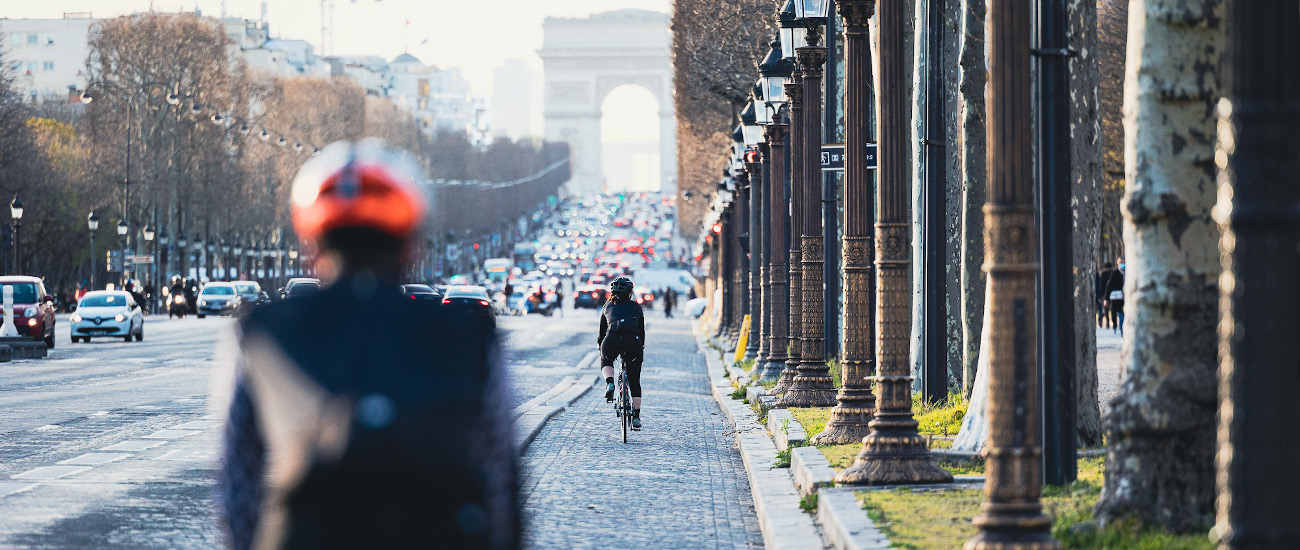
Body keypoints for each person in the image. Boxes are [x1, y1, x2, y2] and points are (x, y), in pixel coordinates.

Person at [217, 139, 518, 550]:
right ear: (412, 244)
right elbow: (500, 475)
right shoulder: (468, 333)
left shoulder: (264, 334)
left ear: (311, 246)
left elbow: (239, 486)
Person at [597, 276, 646, 430]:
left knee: (606, 360)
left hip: (611, 340)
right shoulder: (636, 307)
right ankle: (636, 417)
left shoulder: (607, 306)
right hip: (633, 342)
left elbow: (601, 333)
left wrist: (601, 347)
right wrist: (641, 346)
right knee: (634, 380)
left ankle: (610, 382)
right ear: (630, 292)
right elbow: (641, 330)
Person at [1101, 258, 1125, 335]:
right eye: (1120, 262)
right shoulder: (1115, 272)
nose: (1122, 264)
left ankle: (1122, 330)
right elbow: (1109, 285)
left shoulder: (1129, 271)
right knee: (1114, 312)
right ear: (1117, 263)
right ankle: (1115, 325)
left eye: (1123, 262)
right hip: (1115, 297)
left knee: (1122, 314)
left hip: (1124, 298)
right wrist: (1106, 298)